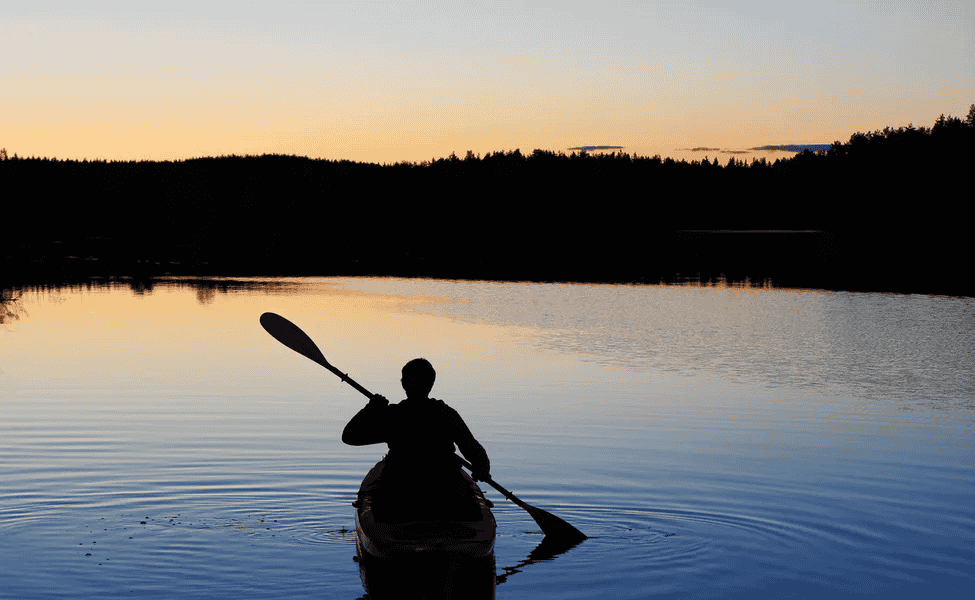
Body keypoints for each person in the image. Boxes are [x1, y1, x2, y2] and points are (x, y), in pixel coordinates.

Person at [342, 358, 491, 521]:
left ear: (404, 384)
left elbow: (350, 436)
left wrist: (370, 410)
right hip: (445, 497)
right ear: (431, 383)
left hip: (402, 498)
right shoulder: (446, 414)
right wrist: (482, 467)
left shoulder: (393, 416)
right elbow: (474, 450)